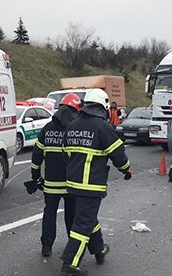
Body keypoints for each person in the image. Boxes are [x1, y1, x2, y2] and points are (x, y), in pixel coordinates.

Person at [61, 88, 132, 276]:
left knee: (87, 217)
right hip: (91, 186)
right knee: (83, 224)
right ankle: (70, 263)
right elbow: (118, 155)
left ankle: (99, 249)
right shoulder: (103, 128)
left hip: (73, 184)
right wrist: (126, 169)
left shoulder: (72, 125)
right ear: (104, 107)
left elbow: (66, 152)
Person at [30, 93, 82, 257]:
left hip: (50, 184)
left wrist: (35, 175)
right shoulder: (74, 130)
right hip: (70, 184)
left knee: (50, 213)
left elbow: (37, 154)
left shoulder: (47, 129)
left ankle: (46, 246)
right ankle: (72, 247)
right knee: (71, 214)